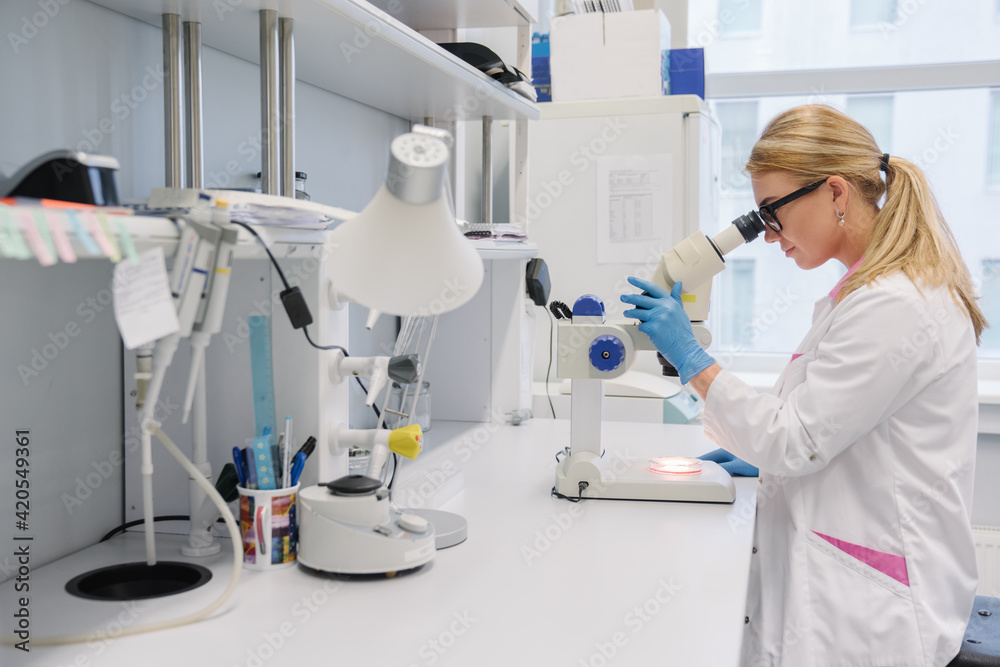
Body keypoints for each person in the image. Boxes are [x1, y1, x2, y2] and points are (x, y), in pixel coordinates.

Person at [621, 104, 987, 667]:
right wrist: (764, 460)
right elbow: (826, 420)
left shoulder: (895, 305)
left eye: (773, 212)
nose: (769, 236)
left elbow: (795, 440)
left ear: (836, 193)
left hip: (872, 608)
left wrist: (691, 359)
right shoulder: (868, 293)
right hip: (850, 569)